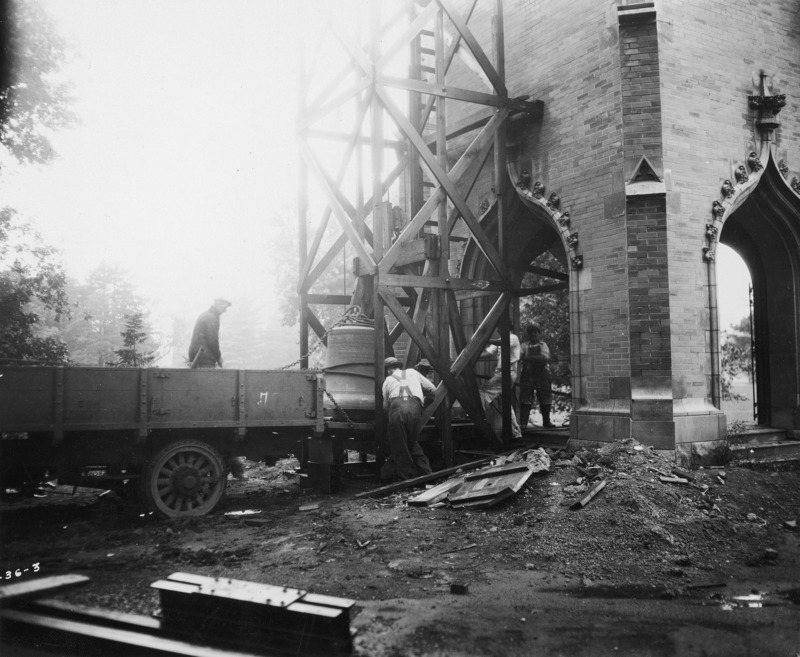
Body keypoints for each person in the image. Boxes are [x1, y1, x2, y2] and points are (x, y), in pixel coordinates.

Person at [380, 357, 436, 481]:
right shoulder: (413, 372)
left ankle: (407, 478)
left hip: (397, 411)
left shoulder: (388, 380)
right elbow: (433, 390)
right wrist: (423, 406)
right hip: (415, 410)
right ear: (398, 367)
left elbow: (385, 407)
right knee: (411, 442)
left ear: (389, 370)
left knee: (399, 445)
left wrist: (391, 420)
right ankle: (427, 473)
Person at [479, 329, 522, 440]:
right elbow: (488, 352)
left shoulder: (513, 338)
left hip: (507, 373)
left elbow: (502, 343)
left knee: (483, 391)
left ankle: (478, 418)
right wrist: (473, 357)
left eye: (499, 327)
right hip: (501, 373)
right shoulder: (499, 340)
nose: (498, 330)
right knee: (505, 403)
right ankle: (516, 434)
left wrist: (485, 339)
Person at [519, 323, 554, 428]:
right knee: (525, 397)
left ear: (538, 334)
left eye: (535, 332)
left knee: (545, 396)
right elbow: (518, 356)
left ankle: (546, 422)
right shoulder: (524, 345)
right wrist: (534, 358)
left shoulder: (543, 345)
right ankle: (523, 423)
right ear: (528, 334)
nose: (533, 334)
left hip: (542, 374)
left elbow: (545, 358)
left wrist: (528, 358)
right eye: (531, 332)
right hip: (527, 374)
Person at [188, 298, 231, 369]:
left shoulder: (206, 315)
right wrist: (218, 357)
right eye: (224, 308)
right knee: (208, 378)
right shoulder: (211, 317)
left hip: (198, 356)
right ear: (219, 306)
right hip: (203, 357)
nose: (225, 311)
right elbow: (212, 340)